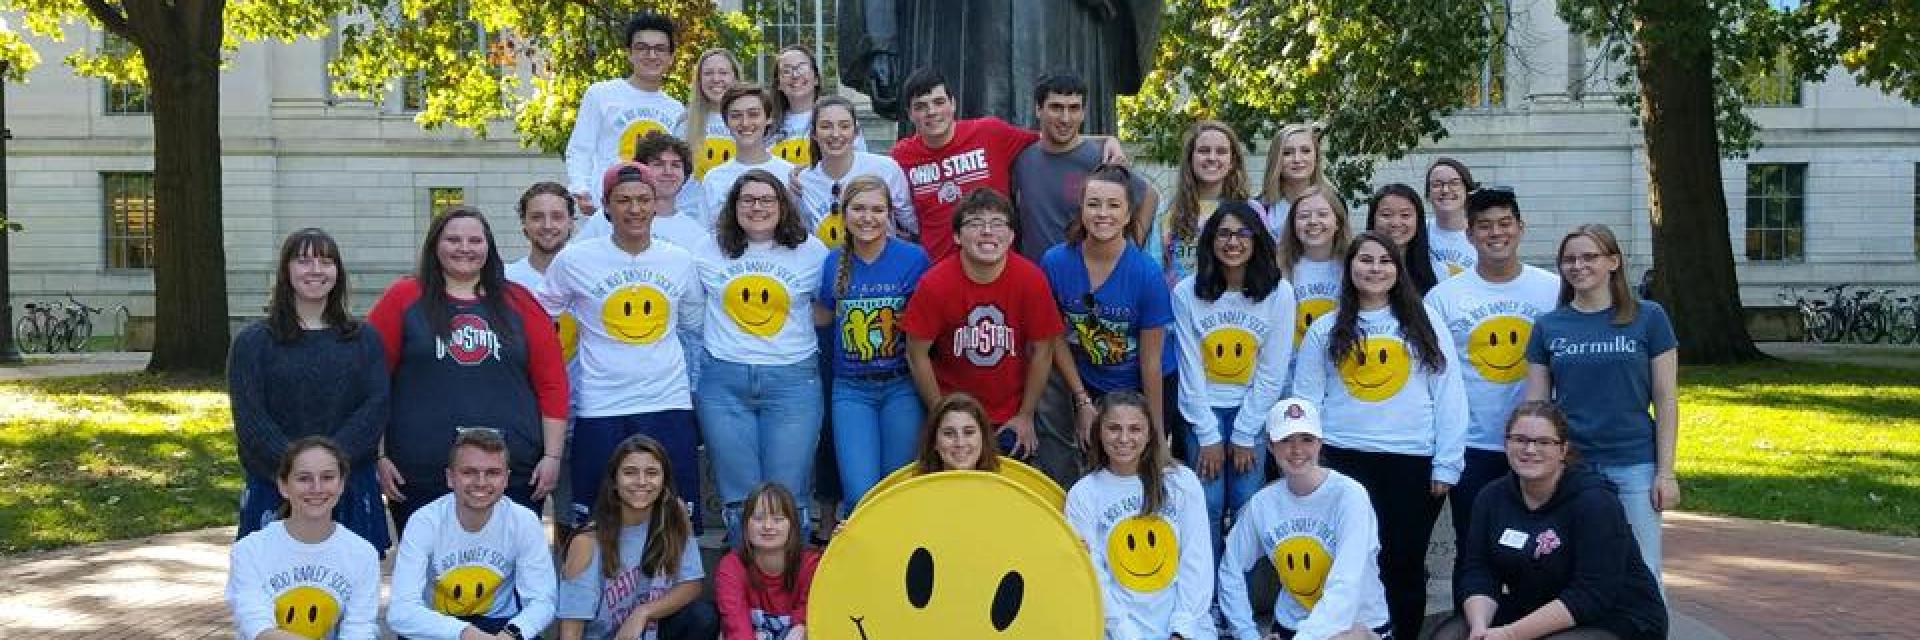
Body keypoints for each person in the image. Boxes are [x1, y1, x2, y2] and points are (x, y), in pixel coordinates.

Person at [1293, 231, 1468, 639]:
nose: (1374, 269)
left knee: (1403, 564)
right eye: (1365, 261)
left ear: (1397, 269)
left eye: (1384, 261)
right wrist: (1310, 461)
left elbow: (1449, 393)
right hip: (1342, 458)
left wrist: (1447, 461)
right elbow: (1307, 400)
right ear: (1350, 268)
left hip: (1411, 461)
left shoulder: (1425, 321)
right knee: (1348, 563)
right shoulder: (1326, 328)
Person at [368, 207, 568, 534]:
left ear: (489, 247)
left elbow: (552, 385)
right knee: (431, 572)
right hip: (419, 471)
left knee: (504, 573)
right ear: (435, 245)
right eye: (453, 239)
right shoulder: (402, 298)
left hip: (511, 470)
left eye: (475, 240)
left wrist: (553, 457)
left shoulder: (519, 301)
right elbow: (372, 381)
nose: (465, 248)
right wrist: (378, 456)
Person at [535, 162, 706, 531]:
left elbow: (694, 325)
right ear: (606, 206)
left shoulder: (679, 260)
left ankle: (670, 589)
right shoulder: (575, 259)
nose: (635, 209)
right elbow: (540, 318)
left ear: (656, 204)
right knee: (598, 519)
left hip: (668, 402)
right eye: (623, 200)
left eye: (644, 200)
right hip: (601, 404)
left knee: (675, 517)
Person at [1431, 401, 1668, 640]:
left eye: (1543, 442)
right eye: (1520, 439)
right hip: (1535, 607)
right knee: (1451, 635)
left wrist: (1510, 635)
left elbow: (1592, 594)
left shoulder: (1595, 502)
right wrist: (1480, 627)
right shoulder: (1491, 497)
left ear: (1563, 450)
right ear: (1506, 443)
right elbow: (1478, 571)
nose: (1530, 450)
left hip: (1617, 617)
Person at [1525, 224, 1680, 585]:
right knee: (1570, 566)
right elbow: (1536, 406)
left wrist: (1666, 472)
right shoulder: (1549, 326)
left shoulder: (1649, 318)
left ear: (1613, 261)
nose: (1578, 266)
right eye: (1569, 259)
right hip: (1571, 465)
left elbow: (1666, 401)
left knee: (1642, 567)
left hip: (1633, 463)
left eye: (1589, 257)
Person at [1424, 187, 1560, 579]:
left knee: (1541, 543)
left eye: (1504, 223)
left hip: (1536, 440)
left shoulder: (1552, 290)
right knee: (1474, 544)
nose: (1495, 233)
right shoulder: (1444, 298)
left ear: (1521, 228)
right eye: (1484, 226)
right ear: (1469, 234)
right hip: (1473, 442)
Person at [229, 229, 391, 551]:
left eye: (326, 261)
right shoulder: (254, 343)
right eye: (304, 261)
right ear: (286, 271)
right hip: (276, 486)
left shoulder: (364, 339)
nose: (315, 269)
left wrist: (329, 469)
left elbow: (375, 406)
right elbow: (251, 417)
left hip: (348, 486)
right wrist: (298, 471)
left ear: (337, 273)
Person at [693, 170, 830, 537]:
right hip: (724, 381)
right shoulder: (708, 248)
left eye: (767, 199)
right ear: (733, 207)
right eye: (748, 200)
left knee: (789, 494)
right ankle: (745, 588)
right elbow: (692, 309)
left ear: (783, 206)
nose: (757, 207)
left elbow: (825, 309)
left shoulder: (810, 251)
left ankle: (790, 591)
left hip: (792, 381)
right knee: (738, 496)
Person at [889, 67, 1124, 259]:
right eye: (921, 106)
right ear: (910, 114)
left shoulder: (990, 132)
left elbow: (1052, 138)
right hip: (938, 272)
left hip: (997, 268)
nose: (932, 112)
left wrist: (1107, 140)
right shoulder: (900, 158)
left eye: (939, 102)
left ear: (953, 104)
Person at [901, 188, 1065, 461]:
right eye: (975, 224)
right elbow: (916, 355)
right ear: (956, 236)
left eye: (998, 223)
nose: (987, 231)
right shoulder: (934, 284)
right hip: (954, 413)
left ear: (1012, 236)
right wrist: (941, 415)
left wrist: (1025, 415)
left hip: (1009, 415)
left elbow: (1043, 351)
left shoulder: (1031, 279)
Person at [1170, 201, 1295, 548]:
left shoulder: (1278, 293)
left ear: (1257, 240)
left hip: (1252, 414)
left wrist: (1244, 433)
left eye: (1243, 234)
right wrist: (1208, 434)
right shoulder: (1187, 292)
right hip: (1202, 414)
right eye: (1223, 234)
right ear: (1210, 240)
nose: (1233, 242)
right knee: (1205, 505)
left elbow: (1273, 370)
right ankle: (1205, 597)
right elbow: (1189, 368)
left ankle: (1238, 594)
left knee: (1246, 504)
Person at [1042, 164, 1174, 486]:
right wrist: (1083, 400)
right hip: (1091, 381)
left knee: (1140, 470)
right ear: (1082, 210)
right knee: (1092, 471)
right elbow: (1053, 335)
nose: (1103, 214)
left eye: (1114, 205)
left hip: (1145, 382)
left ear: (1129, 214)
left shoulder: (1146, 274)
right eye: (1094, 204)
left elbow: (1151, 361)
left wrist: (1154, 432)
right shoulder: (1056, 262)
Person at [1218, 398, 1392, 640]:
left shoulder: (1350, 497)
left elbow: (1345, 585)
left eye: (1307, 440)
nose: (1297, 450)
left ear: (1320, 443)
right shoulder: (1263, 503)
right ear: (1270, 445)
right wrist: (1247, 634)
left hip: (1352, 627)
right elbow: (1231, 566)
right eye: (1286, 440)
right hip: (1292, 627)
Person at [816, 176, 932, 509]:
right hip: (851, 391)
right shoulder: (832, 261)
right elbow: (823, 317)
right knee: (859, 493)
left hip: (901, 387)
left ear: (890, 214)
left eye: (877, 209)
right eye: (859, 209)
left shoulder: (913, 258)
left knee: (899, 488)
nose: (868, 217)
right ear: (845, 213)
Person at [1064, 392, 1214, 640]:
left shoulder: (1181, 482)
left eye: (1135, 429)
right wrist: (1125, 632)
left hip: (1185, 626)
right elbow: (1094, 573)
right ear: (1099, 432)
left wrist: (1182, 628)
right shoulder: (1083, 494)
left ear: (1150, 434)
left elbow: (1196, 560)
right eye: (1114, 428)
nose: (1124, 438)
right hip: (1117, 628)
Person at [388, 428, 557, 640]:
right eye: (469, 472)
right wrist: (465, 633)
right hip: (436, 625)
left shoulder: (523, 521)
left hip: (501, 626)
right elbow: (401, 611)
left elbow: (543, 601)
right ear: (450, 478)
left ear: (506, 479)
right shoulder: (424, 522)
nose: (481, 482)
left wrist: (511, 633)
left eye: (493, 473)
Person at [558, 435, 716, 640]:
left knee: (702, 617)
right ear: (614, 481)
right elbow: (571, 626)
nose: (641, 482)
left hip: (649, 630)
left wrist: (642, 613)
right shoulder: (587, 541)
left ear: (663, 481)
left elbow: (691, 584)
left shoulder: (674, 517)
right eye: (630, 473)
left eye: (651, 473)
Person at [226, 437, 382, 640]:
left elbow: (359, 630)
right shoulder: (250, 550)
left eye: (327, 477)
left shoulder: (362, 554)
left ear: (341, 484)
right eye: (303, 478)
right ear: (283, 486)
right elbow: (257, 628)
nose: (316, 488)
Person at [1012, 72, 1157, 260]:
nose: (1065, 118)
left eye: (1074, 108)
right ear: (1038, 109)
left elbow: (1149, 196)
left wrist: (1131, 249)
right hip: (1035, 279)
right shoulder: (1022, 157)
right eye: (1056, 107)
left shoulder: (1100, 158)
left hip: (1087, 278)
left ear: (1083, 113)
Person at [565, 12, 686, 217]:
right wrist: (580, 188)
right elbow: (580, 148)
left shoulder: (677, 110)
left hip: (652, 211)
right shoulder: (601, 94)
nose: (651, 55)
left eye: (660, 49)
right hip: (606, 208)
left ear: (671, 58)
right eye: (642, 48)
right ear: (629, 53)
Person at [792, 95, 916, 248]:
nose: (835, 134)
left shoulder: (885, 169)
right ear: (814, 134)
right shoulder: (801, 182)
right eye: (826, 126)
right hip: (829, 268)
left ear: (856, 132)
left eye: (844, 126)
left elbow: (912, 224)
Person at [1145, 120, 1255, 288]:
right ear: (1190, 158)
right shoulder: (1167, 211)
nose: (1212, 157)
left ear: (1232, 161)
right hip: (1178, 310)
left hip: (1234, 311)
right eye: (1204, 151)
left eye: (1221, 151)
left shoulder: (1252, 210)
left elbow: (1263, 266)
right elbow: (1153, 269)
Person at [715, 482, 822, 640]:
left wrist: (800, 626)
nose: (768, 526)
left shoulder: (811, 564)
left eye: (778, 519)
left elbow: (811, 613)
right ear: (745, 525)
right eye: (758, 519)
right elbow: (735, 623)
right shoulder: (731, 566)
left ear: (792, 526)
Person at [702, 85, 796, 218]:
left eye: (753, 114)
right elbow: (708, 231)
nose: (745, 122)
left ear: (768, 118)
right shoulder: (713, 178)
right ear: (726, 122)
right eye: (736, 116)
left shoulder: (789, 174)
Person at [768, 44, 869, 167]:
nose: (795, 75)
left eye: (802, 68)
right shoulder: (766, 125)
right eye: (786, 71)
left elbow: (859, 165)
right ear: (778, 84)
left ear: (816, 78)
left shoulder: (840, 117)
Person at [1279, 187, 1353, 347]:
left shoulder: (1353, 267)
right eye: (1304, 216)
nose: (1313, 221)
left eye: (1323, 214)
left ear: (1338, 222)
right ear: (1293, 225)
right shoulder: (1278, 268)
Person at [630, 131, 714, 248]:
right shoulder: (613, 220)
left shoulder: (697, 236)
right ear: (642, 169)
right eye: (658, 164)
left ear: (685, 174)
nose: (668, 172)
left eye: (675, 165)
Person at [1365, 184, 1442, 295]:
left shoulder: (1438, 271)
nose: (1395, 223)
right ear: (1373, 219)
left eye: (1405, 215)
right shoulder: (1359, 269)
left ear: (1418, 220)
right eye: (1386, 215)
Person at [681, 47, 743, 181]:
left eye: (723, 73)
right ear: (699, 80)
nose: (716, 79)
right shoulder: (684, 123)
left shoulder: (750, 123)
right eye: (708, 73)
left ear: (735, 78)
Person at [1259, 122, 1337, 226]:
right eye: (1287, 153)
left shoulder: (1334, 203)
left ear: (1316, 157)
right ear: (1275, 159)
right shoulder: (1259, 207)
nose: (1297, 159)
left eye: (1305, 151)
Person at [504, 182, 578, 291]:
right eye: (537, 217)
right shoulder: (507, 280)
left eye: (557, 217)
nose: (547, 226)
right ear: (524, 222)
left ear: (571, 222)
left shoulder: (588, 276)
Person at [912, 392, 1004, 473]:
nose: (960, 443)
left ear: (983, 437)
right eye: (949, 433)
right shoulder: (914, 490)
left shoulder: (1004, 488)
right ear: (934, 441)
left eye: (969, 432)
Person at [1423, 158, 1479, 278]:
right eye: (1437, 185)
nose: (1445, 190)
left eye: (1454, 183)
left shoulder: (1482, 233)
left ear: (1467, 190)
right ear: (1428, 194)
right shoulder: (1418, 232)